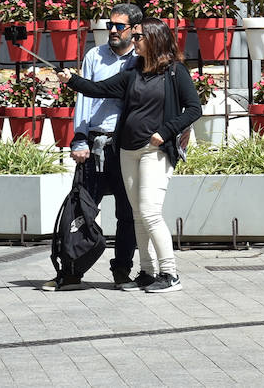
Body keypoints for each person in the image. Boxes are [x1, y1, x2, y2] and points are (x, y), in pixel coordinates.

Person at [58, 17, 201, 294]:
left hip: (155, 151)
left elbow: (193, 109)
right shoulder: (134, 71)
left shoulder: (175, 72)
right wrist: (72, 80)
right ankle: (147, 272)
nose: (133, 41)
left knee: (149, 212)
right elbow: (99, 89)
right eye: (133, 36)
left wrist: (166, 131)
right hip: (128, 151)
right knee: (137, 215)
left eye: (138, 37)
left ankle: (169, 273)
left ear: (154, 39)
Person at [43, 2, 142, 292]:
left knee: (127, 213)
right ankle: (71, 272)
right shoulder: (95, 56)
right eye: (109, 25)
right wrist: (80, 138)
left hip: (125, 147)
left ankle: (122, 270)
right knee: (81, 209)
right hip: (94, 145)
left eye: (119, 26)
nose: (112, 30)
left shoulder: (141, 60)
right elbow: (84, 100)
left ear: (135, 29)